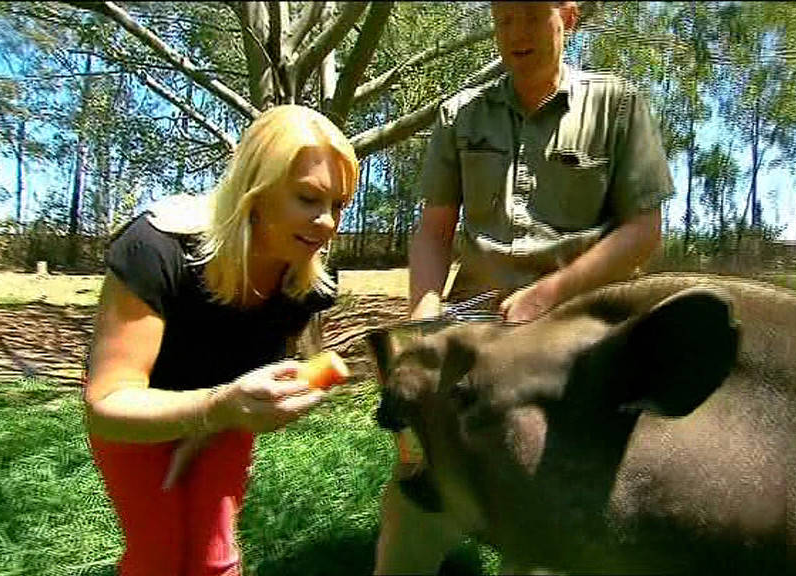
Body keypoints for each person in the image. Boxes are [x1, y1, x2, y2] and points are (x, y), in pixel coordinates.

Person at [374, 2, 674, 573]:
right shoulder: (461, 114)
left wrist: (548, 294)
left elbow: (643, 232)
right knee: (417, 499)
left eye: (531, 16)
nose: (516, 33)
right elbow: (433, 233)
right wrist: (423, 321)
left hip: (576, 342)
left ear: (569, 17)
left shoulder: (618, 106)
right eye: (503, 19)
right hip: (475, 337)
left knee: (549, 516)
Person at [84, 104, 359, 576]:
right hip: (136, 418)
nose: (327, 222)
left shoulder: (306, 284)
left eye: (338, 205)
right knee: (158, 556)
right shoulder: (156, 249)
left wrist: (224, 419)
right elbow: (107, 406)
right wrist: (212, 410)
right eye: (308, 199)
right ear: (256, 189)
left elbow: (250, 374)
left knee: (216, 559)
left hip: (225, 417)